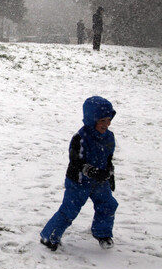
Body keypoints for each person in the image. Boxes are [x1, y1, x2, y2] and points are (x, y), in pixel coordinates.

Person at [40, 96, 117, 251]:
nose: (106, 124)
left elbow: (109, 157)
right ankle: (49, 236)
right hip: (79, 181)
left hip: (100, 181)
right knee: (70, 209)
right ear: (91, 119)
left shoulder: (109, 137)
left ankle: (102, 233)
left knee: (108, 205)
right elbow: (76, 161)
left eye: (108, 120)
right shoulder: (80, 138)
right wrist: (89, 170)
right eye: (102, 121)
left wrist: (110, 173)